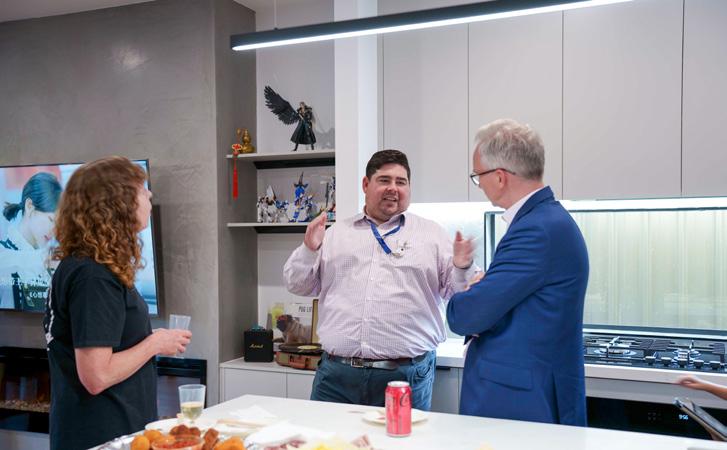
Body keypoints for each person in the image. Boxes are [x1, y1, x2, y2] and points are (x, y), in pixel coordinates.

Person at [284, 149, 477, 411]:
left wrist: (463, 267)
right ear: (366, 184)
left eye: (401, 182)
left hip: (406, 376)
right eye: (384, 180)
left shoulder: (432, 235)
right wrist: (309, 249)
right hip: (336, 376)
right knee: (326, 435)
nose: (393, 188)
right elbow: (298, 285)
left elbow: (459, 294)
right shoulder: (336, 234)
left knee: (402, 437)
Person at [43, 156, 192, 450]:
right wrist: (155, 343)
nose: (149, 194)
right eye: (141, 189)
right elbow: (96, 376)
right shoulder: (93, 276)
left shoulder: (87, 266)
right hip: (100, 436)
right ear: (118, 204)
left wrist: (151, 340)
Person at [447, 119, 589, 425]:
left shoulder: (536, 230)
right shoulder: (546, 221)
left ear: (499, 177)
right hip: (532, 394)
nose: (479, 184)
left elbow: (467, 315)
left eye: (477, 176)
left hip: (520, 401)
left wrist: (473, 293)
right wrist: (483, 289)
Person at [0, 172, 62, 310]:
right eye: (51, 220)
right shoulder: (4, 253)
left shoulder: (50, 260)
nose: (54, 231)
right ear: (29, 206)